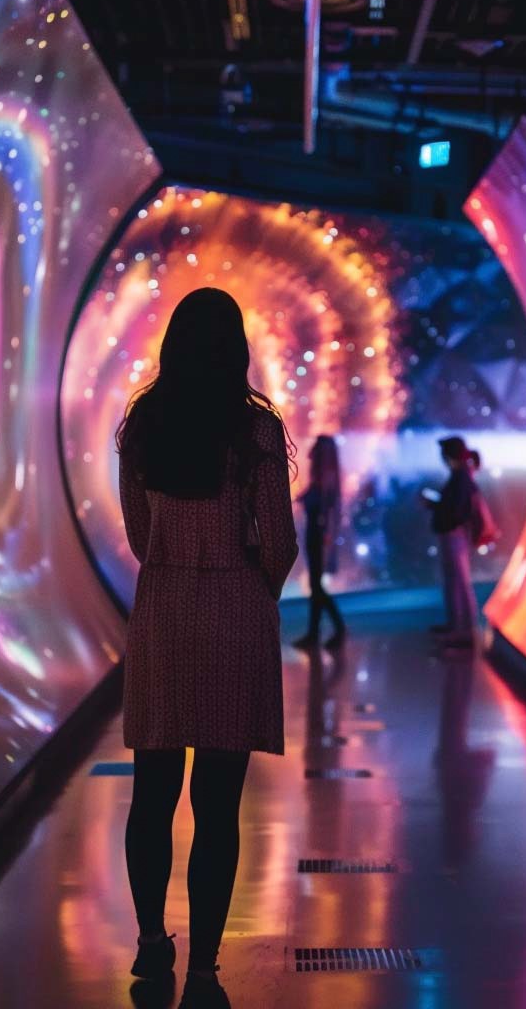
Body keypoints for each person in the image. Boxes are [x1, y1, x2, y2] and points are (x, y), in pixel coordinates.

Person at [116, 287, 298, 1009]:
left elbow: (137, 535)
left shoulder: (144, 423)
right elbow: (279, 542)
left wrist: (173, 559)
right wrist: (252, 581)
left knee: (151, 796)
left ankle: (151, 943)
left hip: (162, 615)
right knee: (218, 807)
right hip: (234, 614)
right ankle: (204, 972)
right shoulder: (255, 434)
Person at [422, 436, 479, 648]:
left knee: (459, 582)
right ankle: (458, 627)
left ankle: (463, 631)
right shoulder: (462, 476)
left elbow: (456, 509)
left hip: (454, 535)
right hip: (454, 534)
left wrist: (436, 506)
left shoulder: (461, 477)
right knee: (455, 581)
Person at [293, 435, 346, 650]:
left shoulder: (326, 478)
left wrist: (329, 542)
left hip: (320, 536)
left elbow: (329, 514)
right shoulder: (323, 478)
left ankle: (337, 629)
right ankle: (314, 633)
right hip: (317, 535)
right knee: (316, 586)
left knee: (316, 586)